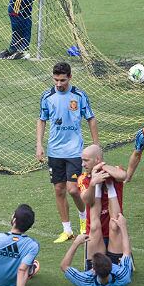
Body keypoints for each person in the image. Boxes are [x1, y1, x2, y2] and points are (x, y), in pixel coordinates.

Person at [36, 62, 99, 243]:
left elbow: (91, 119)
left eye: (62, 80)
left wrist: (96, 147)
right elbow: (41, 120)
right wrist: (39, 145)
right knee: (59, 189)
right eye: (56, 79)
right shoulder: (47, 97)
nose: (59, 83)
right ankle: (67, 230)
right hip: (55, 151)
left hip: (74, 151)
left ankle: (83, 220)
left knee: (73, 190)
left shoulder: (79, 96)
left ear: (70, 77)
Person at [77, 144, 126, 269]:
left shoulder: (113, 171)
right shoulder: (83, 178)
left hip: (114, 232)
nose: (83, 164)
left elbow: (123, 176)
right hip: (94, 234)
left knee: (118, 271)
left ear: (97, 159)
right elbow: (87, 201)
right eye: (82, 160)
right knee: (94, 226)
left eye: (86, 160)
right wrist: (93, 184)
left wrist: (102, 168)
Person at [60, 210, 133, 286]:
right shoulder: (122, 277)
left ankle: (97, 196)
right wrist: (123, 226)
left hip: (99, 270)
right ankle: (112, 196)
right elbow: (127, 252)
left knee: (94, 227)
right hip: (114, 255)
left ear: (93, 270)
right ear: (111, 266)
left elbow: (64, 266)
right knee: (114, 227)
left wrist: (76, 243)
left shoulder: (86, 281)